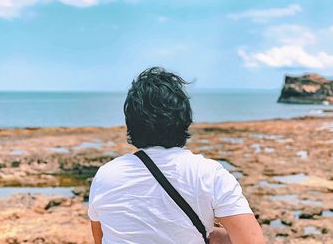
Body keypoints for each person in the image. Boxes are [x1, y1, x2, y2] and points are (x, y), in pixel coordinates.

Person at [88, 67, 265, 244]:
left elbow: (100, 239)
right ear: (184, 119)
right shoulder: (209, 174)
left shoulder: (105, 175)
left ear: (130, 123)